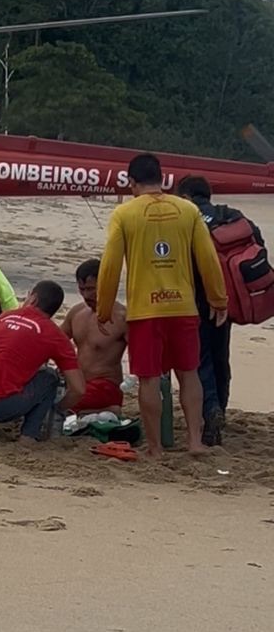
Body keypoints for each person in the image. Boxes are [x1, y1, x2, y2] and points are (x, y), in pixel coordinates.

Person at [96, 154, 227, 457]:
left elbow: (110, 265)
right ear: (162, 178)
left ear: (131, 182)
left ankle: (155, 447)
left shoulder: (125, 214)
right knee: (189, 373)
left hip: (145, 310)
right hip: (183, 307)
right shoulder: (187, 210)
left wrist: (103, 308)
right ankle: (195, 441)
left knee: (149, 378)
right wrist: (218, 299)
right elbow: (208, 259)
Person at [177, 175, 263, 446]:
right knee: (219, 357)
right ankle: (220, 410)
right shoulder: (232, 215)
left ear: (187, 197)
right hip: (227, 300)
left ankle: (210, 411)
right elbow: (259, 247)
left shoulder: (187, 217)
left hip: (196, 300)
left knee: (200, 360)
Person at [0, 281, 85, 443]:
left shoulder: (4, 317)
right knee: (50, 377)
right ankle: (29, 434)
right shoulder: (55, 335)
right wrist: (57, 408)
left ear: (33, 298)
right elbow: (79, 389)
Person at [60, 259, 127, 413]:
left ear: (106, 284)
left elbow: (142, 358)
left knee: (59, 406)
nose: (86, 295)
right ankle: (97, 411)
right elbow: (54, 340)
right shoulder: (77, 312)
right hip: (76, 382)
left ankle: (108, 408)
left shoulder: (122, 318)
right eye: (82, 289)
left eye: (91, 289)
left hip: (104, 384)